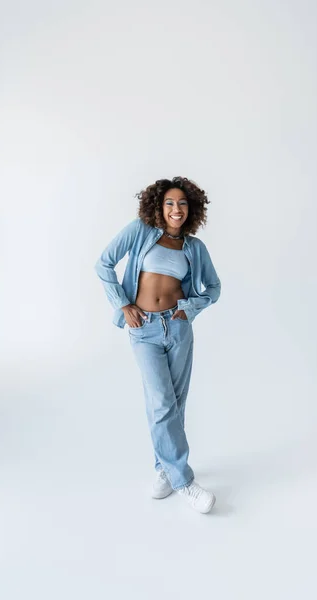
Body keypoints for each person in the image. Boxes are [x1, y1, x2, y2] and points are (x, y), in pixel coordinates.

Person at [94, 176, 221, 514]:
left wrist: (190, 307)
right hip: (144, 329)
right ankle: (184, 482)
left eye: (182, 203)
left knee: (174, 405)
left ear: (190, 209)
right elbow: (103, 263)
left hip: (177, 328)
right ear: (158, 206)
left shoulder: (195, 248)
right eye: (169, 203)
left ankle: (164, 468)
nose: (176, 209)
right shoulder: (140, 231)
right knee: (162, 402)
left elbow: (214, 288)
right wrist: (123, 304)